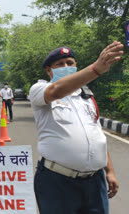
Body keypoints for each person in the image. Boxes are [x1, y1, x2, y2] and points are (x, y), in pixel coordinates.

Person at [29, 41, 123, 214]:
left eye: (70, 63)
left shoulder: (86, 96)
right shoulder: (39, 89)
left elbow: (96, 134)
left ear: (76, 66)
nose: (66, 66)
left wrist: (110, 171)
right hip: (58, 182)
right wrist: (96, 69)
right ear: (49, 70)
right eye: (60, 64)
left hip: (95, 182)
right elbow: (56, 91)